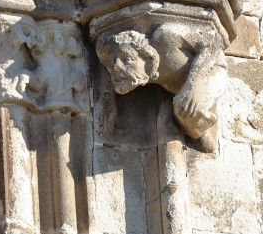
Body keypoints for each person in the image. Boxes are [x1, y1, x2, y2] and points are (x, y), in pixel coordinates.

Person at [96, 23, 227, 150]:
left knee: (186, 109)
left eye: (127, 60)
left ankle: (202, 134)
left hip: (210, 69)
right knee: (180, 107)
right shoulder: (139, 74)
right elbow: (101, 45)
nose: (117, 68)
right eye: (113, 64)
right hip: (179, 87)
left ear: (147, 58)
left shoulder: (167, 36)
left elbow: (213, 42)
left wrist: (196, 83)